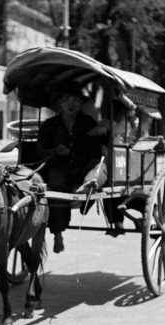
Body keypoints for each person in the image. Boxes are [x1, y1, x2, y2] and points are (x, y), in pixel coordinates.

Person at [37, 82, 109, 253]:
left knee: (99, 169)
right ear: (60, 103)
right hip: (60, 168)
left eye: (75, 100)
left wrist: (103, 132)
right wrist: (56, 150)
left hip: (85, 168)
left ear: (80, 104)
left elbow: (105, 144)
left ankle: (89, 187)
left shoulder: (88, 122)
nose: (71, 104)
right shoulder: (49, 125)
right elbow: (40, 151)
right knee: (56, 187)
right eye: (67, 100)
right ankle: (57, 234)